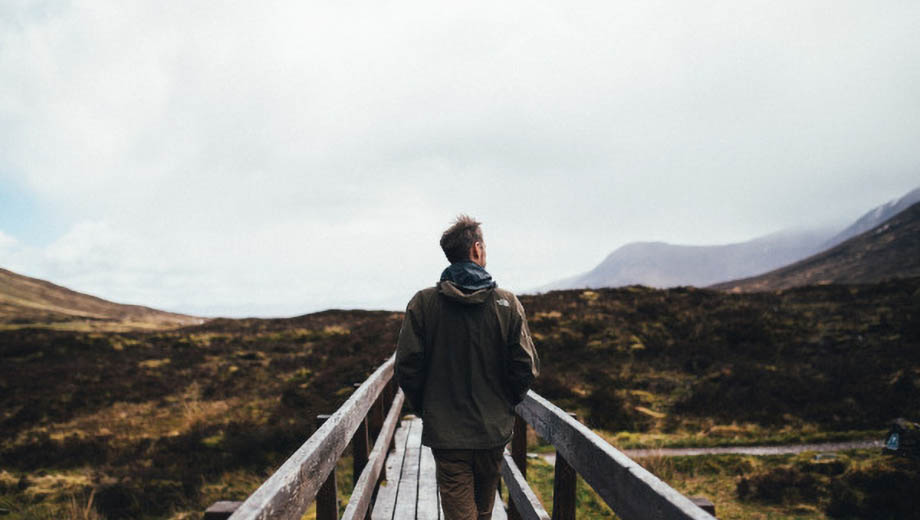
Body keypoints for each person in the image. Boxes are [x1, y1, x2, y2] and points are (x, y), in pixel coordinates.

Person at [396, 215, 540, 520]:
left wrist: (427, 407)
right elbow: (525, 367)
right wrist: (503, 404)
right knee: (483, 509)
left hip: (447, 435)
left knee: (461, 512)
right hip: (492, 431)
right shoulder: (507, 303)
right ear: (476, 250)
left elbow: (407, 367)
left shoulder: (423, 304)